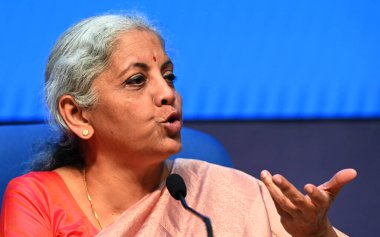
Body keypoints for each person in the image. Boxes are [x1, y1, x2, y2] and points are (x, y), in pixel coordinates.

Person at [0, 13, 356, 237]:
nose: (168, 93)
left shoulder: (212, 192)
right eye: (137, 80)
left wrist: (315, 233)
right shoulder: (36, 200)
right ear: (78, 115)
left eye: (169, 76)